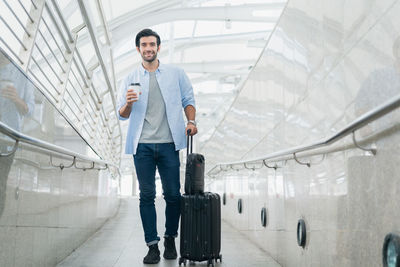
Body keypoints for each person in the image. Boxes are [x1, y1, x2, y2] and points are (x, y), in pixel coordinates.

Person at [117, 28, 197, 264]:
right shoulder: (130, 78)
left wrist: (191, 121)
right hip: (141, 145)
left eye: (152, 44)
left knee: (173, 195)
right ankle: (152, 245)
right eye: (144, 45)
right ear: (138, 49)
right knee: (147, 195)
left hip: (169, 143)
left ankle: (170, 237)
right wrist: (129, 105)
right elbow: (121, 115)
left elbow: (188, 100)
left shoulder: (176, 74)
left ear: (158, 47)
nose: (148, 48)